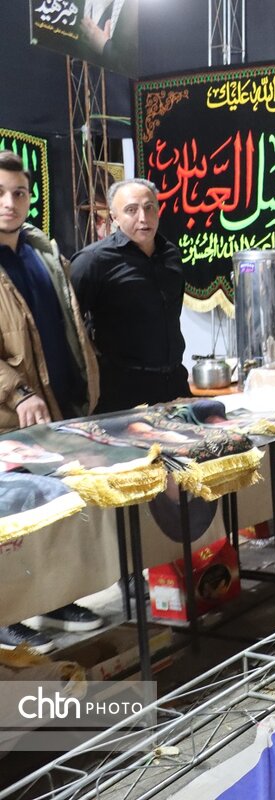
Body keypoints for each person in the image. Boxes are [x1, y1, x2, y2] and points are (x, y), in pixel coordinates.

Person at [0, 149, 102, 652]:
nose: (9, 203)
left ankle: (55, 598)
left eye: (18, 193)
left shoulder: (41, 254)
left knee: (55, 510)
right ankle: (7, 615)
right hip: (9, 416)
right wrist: (17, 391)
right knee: (10, 521)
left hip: (56, 409)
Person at [71, 178, 190, 412]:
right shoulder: (93, 261)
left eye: (149, 207)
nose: (143, 218)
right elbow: (69, 324)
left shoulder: (171, 254)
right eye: (131, 210)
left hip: (175, 384)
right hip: (122, 391)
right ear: (114, 217)